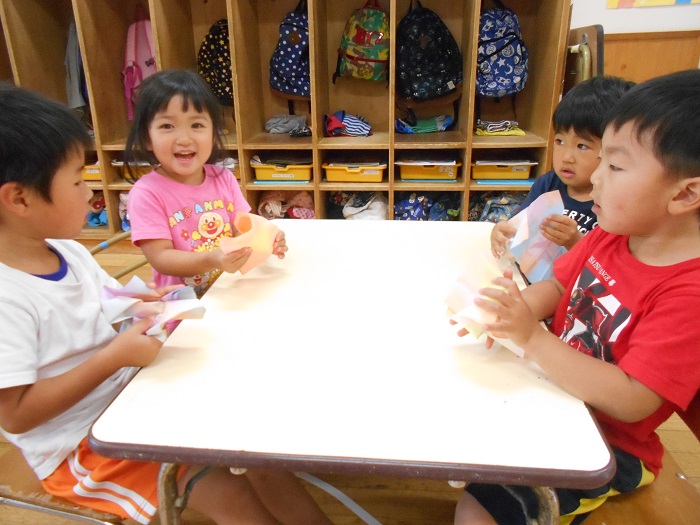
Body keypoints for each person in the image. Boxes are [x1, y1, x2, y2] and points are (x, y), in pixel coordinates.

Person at [0, 84, 331, 525]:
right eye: (78, 180)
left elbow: (109, 300)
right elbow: (16, 415)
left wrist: (142, 301)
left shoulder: (67, 251)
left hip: (129, 394)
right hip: (83, 445)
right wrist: (113, 357)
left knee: (251, 445)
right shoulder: (8, 296)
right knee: (226, 489)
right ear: (19, 198)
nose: (88, 191)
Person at [454, 69, 700, 524]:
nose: (596, 179)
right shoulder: (611, 234)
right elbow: (557, 287)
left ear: (686, 194)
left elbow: (633, 399)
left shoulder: (689, 295)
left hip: (609, 446)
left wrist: (533, 338)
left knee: (477, 509)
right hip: (557, 391)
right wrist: (509, 315)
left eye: (615, 166)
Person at [125, 69, 287, 298]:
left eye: (197, 125)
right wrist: (211, 259)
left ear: (213, 133)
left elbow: (241, 226)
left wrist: (266, 236)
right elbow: (160, 258)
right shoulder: (146, 193)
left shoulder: (224, 178)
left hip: (227, 289)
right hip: (182, 303)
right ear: (146, 138)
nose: (184, 139)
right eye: (167, 126)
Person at [490, 76, 635, 258]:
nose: (566, 158)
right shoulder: (547, 184)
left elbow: (608, 265)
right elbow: (518, 227)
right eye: (560, 141)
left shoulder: (614, 204)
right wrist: (502, 231)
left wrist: (575, 242)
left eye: (582, 146)